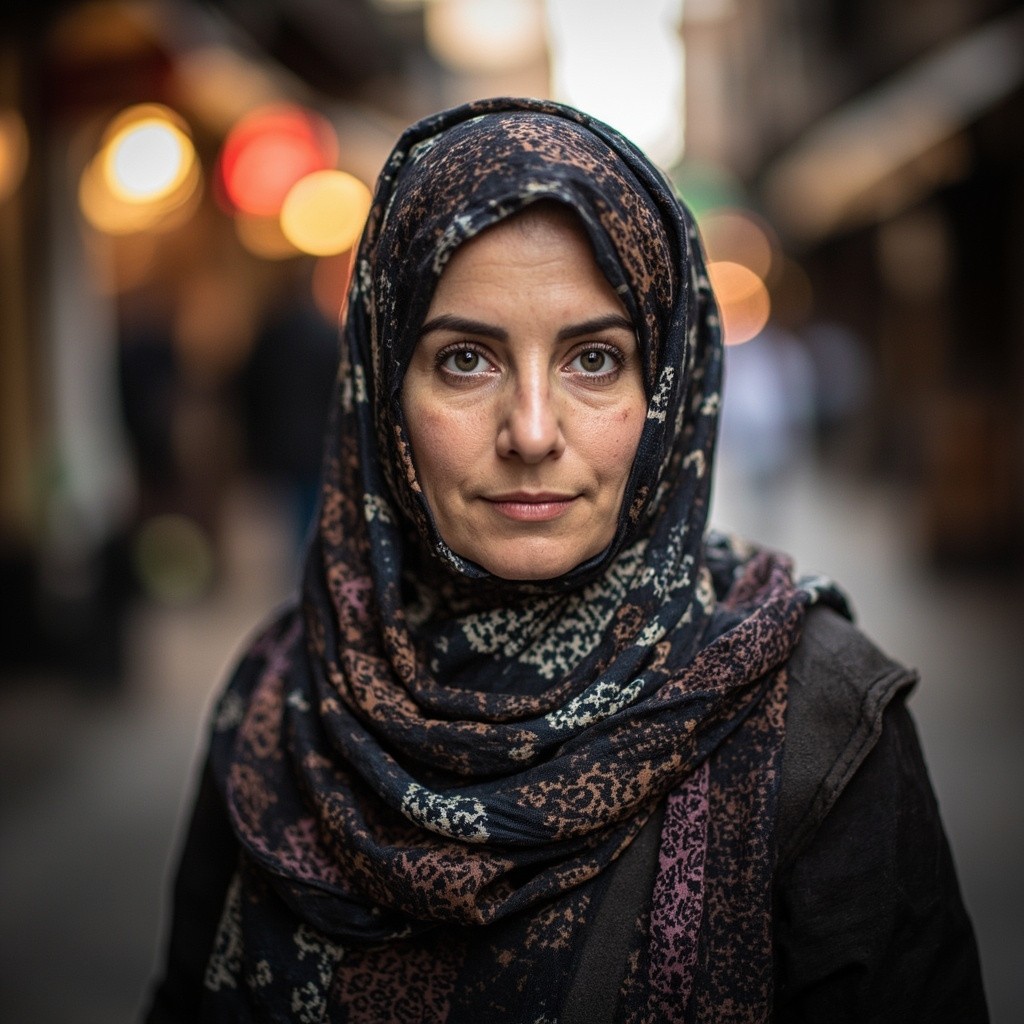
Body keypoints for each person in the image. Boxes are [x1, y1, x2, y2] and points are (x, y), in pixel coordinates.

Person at [144, 97, 987, 1023]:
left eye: (594, 360)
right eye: (466, 359)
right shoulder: (279, 704)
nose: (533, 431)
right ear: (383, 386)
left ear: (667, 384)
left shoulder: (818, 722)